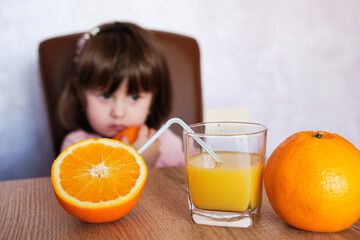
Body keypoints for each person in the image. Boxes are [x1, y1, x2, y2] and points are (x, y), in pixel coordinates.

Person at [58, 21, 184, 168]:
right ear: (80, 93)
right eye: (105, 96)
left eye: (134, 97)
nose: (118, 112)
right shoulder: (76, 147)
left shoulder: (167, 143)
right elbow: (82, 189)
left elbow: (183, 187)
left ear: (153, 98)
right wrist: (135, 164)